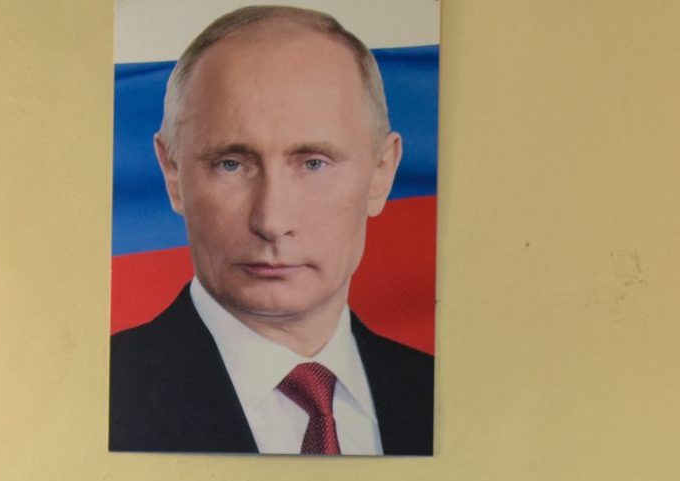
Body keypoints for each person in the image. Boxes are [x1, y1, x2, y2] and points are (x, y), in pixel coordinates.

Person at [109, 5, 435, 456]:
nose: (272, 221)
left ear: (382, 172)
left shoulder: (443, 397)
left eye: (313, 163)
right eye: (231, 164)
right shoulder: (100, 393)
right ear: (172, 174)